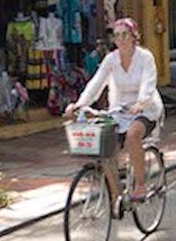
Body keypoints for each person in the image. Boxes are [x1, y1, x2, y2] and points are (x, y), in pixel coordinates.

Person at [65, 18, 163, 202]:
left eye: (124, 34)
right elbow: (97, 82)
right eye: (116, 35)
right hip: (119, 110)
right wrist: (80, 104)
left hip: (145, 110)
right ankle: (116, 195)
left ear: (134, 37)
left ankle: (141, 185)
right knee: (105, 149)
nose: (120, 39)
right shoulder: (111, 59)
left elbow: (148, 83)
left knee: (133, 136)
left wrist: (141, 102)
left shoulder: (145, 57)